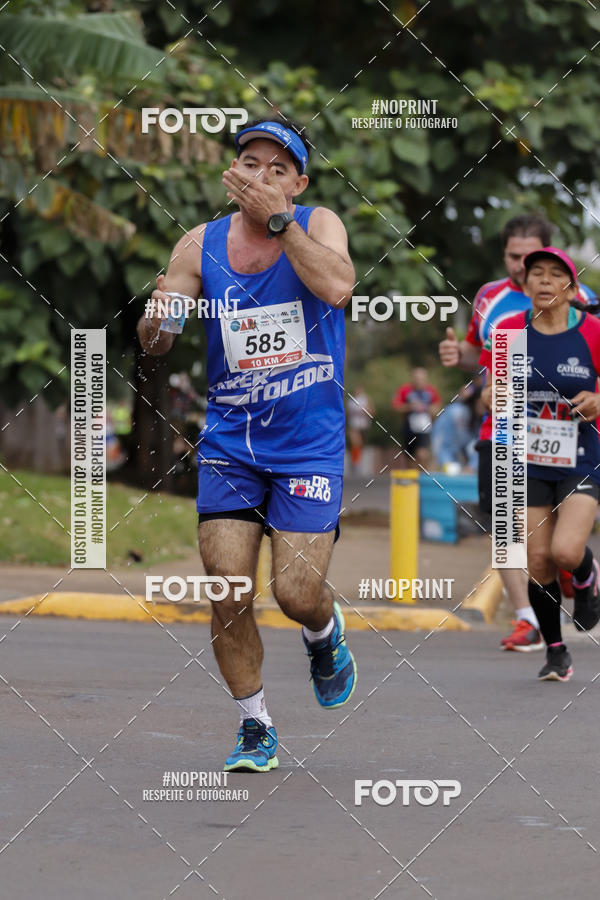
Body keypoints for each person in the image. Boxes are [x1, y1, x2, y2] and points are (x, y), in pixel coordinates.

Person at [137, 116, 357, 772]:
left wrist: (279, 222)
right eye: (251, 164)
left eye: (278, 168)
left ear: (298, 184)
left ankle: (323, 632)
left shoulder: (319, 224)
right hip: (231, 444)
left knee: (296, 593)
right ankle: (255, 724)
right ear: (233, 173)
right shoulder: (198, 243)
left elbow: (338, 287)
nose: (262, 176)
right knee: (228, 590)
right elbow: (159, 338)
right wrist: (156, 323)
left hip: (308, 445)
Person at [439, 213, 595, 652]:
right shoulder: (490, 299)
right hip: (503, 430)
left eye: (533, 258)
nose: (522, 268)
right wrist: (457, 355)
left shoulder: (580, 297)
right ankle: (528, 617)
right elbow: (479, 355)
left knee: (558, 544)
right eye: (515, 258)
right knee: (508, 528)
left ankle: (575, 570)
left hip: (570, 435)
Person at [480, 246, 600, 680]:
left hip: (581, 456)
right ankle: (556, 651)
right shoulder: (509, 330)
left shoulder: (593, 332)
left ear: (571, 287)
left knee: (565, 551)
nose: (545, 280)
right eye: (536, 273)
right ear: (526, 283)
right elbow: (490, 389)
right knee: (537, 560)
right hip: (525, 459)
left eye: (555, 274)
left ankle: (586, 576)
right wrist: (491, 396)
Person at [392, 367, 441, 467]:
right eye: (417, 379)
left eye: (422, 379)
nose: (419, 381)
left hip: (424, 428)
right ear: (412, 379)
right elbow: (396, 406)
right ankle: (413, 475)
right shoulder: (405, 390)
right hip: (408, 428)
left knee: (422, 454)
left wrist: (429, 409)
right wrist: (409, 407)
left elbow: (437, 407)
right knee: (409, 457)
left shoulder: (431, 391)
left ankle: (424, 474)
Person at [347, 385, 373, 471]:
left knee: (361, 445)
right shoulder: (350, 401)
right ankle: (355, 463)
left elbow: (372, 411)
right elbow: (348, 414)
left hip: (364, 425)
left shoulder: (366, 399)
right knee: (356, 443)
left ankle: (358, 460)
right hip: (353, 425)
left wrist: (365, 410)